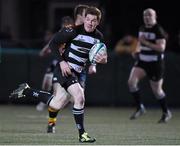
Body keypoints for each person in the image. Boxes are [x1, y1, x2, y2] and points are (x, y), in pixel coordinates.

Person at [10, 6, 107, 143]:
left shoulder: (99, 37)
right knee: (79, 97)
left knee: (56, 104)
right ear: (84, 19)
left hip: (78, 73)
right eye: (88, 19)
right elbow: (53, 44)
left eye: (94, 21)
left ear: (98, 22)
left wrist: (98, 63)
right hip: (65, 70)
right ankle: (82, 135)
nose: (90, 23)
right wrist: (62, 62)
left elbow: (102, 56)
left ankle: (27, 91)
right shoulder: (72, 30)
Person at [128, 8, 172, 123]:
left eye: (150, 15)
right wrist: (136, 50)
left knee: (157, 91)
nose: (147, 17)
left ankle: (166, 112)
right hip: (142, 61)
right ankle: (140, 107)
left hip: (155, 64)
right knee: (131, 82)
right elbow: (139, 42)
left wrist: (146, 42)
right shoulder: (142, 28)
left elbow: (161, 48)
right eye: (145, 15)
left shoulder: (158, 30)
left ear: (155, 17)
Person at [36, 16, 74, 111]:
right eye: (64, 24)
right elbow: (47, 48)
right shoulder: (59, 35)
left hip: (69, 63)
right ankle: (43, 101)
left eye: (68, 24)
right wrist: (46, 50)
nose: (66, 26)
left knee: (70, 84)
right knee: (47, 80)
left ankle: (70, 103)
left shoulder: (75, 35)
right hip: (58, 62)